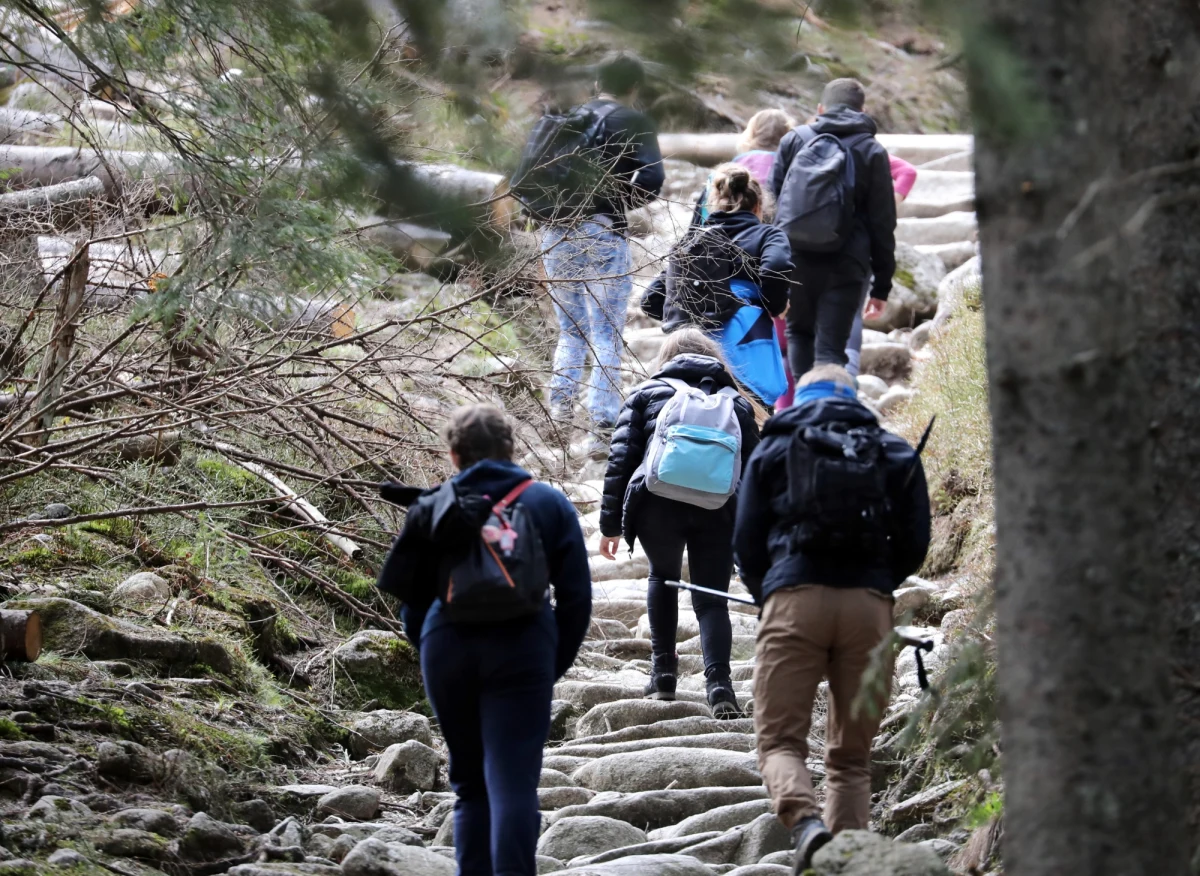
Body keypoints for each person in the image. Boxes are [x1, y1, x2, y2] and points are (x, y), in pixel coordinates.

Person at [376, 405, 592, 876]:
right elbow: (577, 600)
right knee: (513, 783)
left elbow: (411, 604)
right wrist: (549, 663)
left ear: (454, 455)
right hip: (524, 647)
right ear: (510, 448)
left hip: (447, 646)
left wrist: (431, 648)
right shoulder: (547, 503)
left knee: (471, 786)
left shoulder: (434, 503)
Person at [733, 365, 931, 873]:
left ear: (801, 398)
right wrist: (876, 581)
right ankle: (847, 862)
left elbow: (746, 541)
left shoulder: (774, 447)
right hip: (868, 606)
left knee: (781, 741)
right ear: (854, 398)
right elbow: (915, 544)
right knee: (851, 757)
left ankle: (806, 826)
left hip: (793, 598)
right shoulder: (892, 451)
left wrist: (770, 592)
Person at [598, 329, 761, 718]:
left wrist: (610, 526)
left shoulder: (645, 393)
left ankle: (663, 676)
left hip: (658, 504)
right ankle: (720, 686)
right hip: (718, 507)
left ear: (666, 357)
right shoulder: (737, 404)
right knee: (712, 598)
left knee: (663, 578)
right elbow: (757, 473)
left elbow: (620, 460)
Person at [538, 52, 666, 458]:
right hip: (602, 230)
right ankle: (601, 427)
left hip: (555, 231)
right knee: (605, 332)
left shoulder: (565, 117)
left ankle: (559, 412)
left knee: (571, 329)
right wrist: (616, 202)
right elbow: (652, 178)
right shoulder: (634, 120)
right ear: (635, 87)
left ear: (596, 83)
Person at [770, 78, 897, 380]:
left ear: (820, 109)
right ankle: (826, 404)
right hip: (847, 261)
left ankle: (804, 404)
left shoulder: (794, 140)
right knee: (831, 350)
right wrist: (882, 285)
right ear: (862, 110)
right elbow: (883, 222)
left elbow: (772, 206)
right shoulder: (872, 150)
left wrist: (770, 271)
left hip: (795, 258)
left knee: (799, 333)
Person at [642, 164, 793, 409]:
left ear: (714, 203)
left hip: (692, 350)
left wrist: (692, 312)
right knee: (752, 417)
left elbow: (651, 299)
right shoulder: (767, 235)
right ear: (758, 206)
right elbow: (776, 267)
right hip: (747, 343)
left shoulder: (691, 243)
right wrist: (776, 305)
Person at [844, 154, 918, 378]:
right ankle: (847, 381)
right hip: (858, 244)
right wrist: (888, 205)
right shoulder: (868, 150)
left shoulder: (805, 144)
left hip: (810, 245)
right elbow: (908, 171)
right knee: (851, 315)